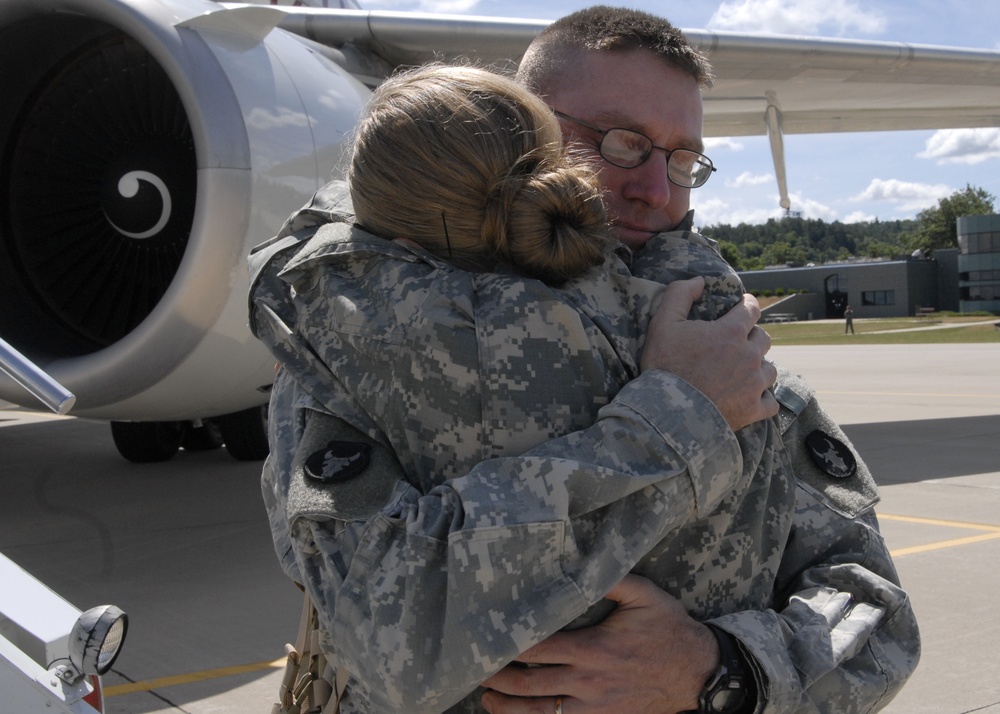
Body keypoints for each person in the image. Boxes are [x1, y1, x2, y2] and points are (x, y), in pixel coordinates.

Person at [249, 7, 919, 714]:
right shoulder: (358, 341)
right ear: (522, 128)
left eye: (684, 160)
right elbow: (395, 635)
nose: (656, 190)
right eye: (622, 144)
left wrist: (724, 671)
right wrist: (677, 417)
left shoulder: (741, 365)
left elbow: (877, 618)